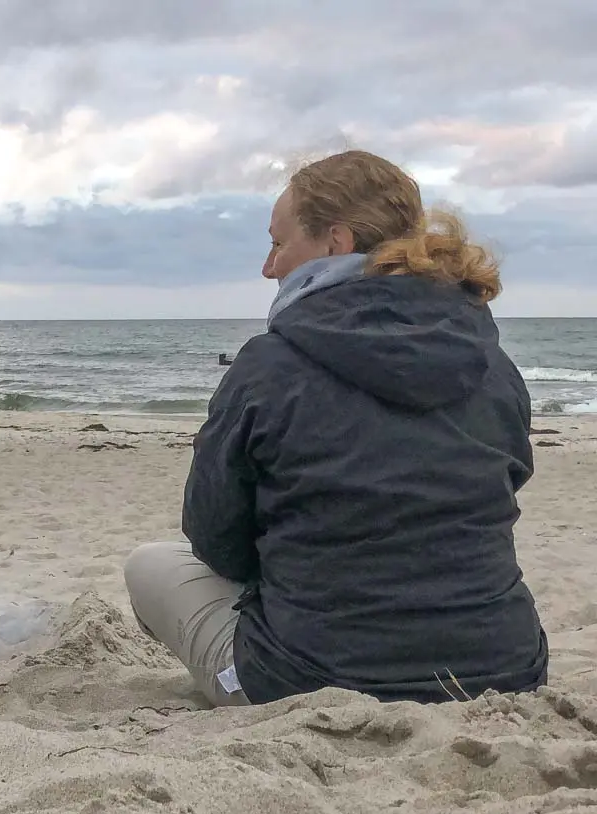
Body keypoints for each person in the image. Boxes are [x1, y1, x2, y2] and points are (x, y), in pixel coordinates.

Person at [124, 150, 548, 707]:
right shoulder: (493, 363)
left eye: (278, 243)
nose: (268, 266)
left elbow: (214, 539)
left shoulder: (269, 365)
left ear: (337, 243)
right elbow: (502, 487)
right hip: (504, 670)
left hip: (307, 677)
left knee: (149, 564)